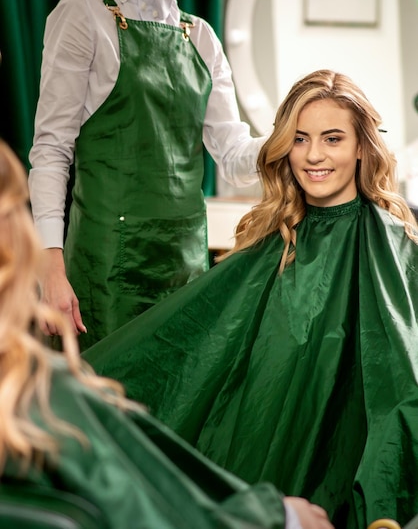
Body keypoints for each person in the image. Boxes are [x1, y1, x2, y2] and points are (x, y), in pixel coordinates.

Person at [83, 69, 418, 529]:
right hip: (255, 444)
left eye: (332, 139)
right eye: (299, 139)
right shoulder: (269, 238)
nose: (313, 155)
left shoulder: (390, 242)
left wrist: (383, 501)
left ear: (362, 146)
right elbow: (196, 342)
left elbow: (398, 380)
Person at [0, 138, 334, 529]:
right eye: (19, 210)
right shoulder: (40, 393)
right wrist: (280, 516)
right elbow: (147, 515)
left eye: (331, 138)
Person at [28, 0, 265, 350]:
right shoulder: (84, 14)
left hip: (184, 269)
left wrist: (298, 134)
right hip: (105, 270)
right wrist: (51, 270)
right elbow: (51, 151)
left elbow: (233, 157)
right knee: (105, 411)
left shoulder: (201, 37)